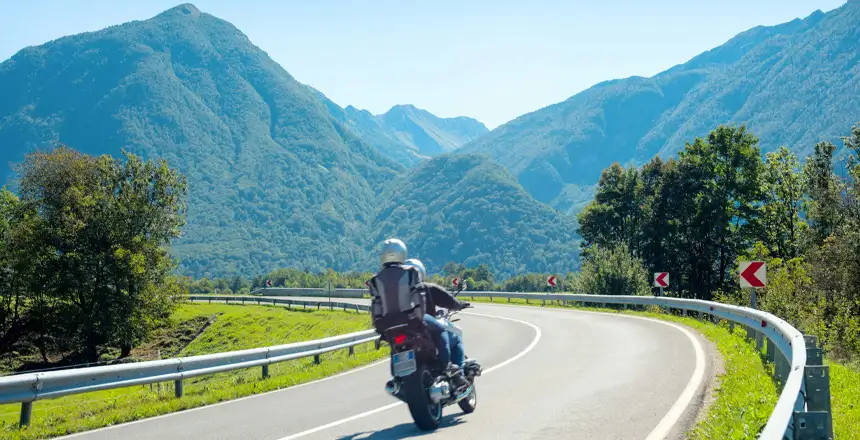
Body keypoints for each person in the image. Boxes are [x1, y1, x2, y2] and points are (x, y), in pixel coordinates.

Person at [404, 258, 471, 390]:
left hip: (406, 333)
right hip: (426, 330)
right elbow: (449, 301)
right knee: (455, 338)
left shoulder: (398, 295)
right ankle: (457, 375)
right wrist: (460, 304)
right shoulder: (427, 288)